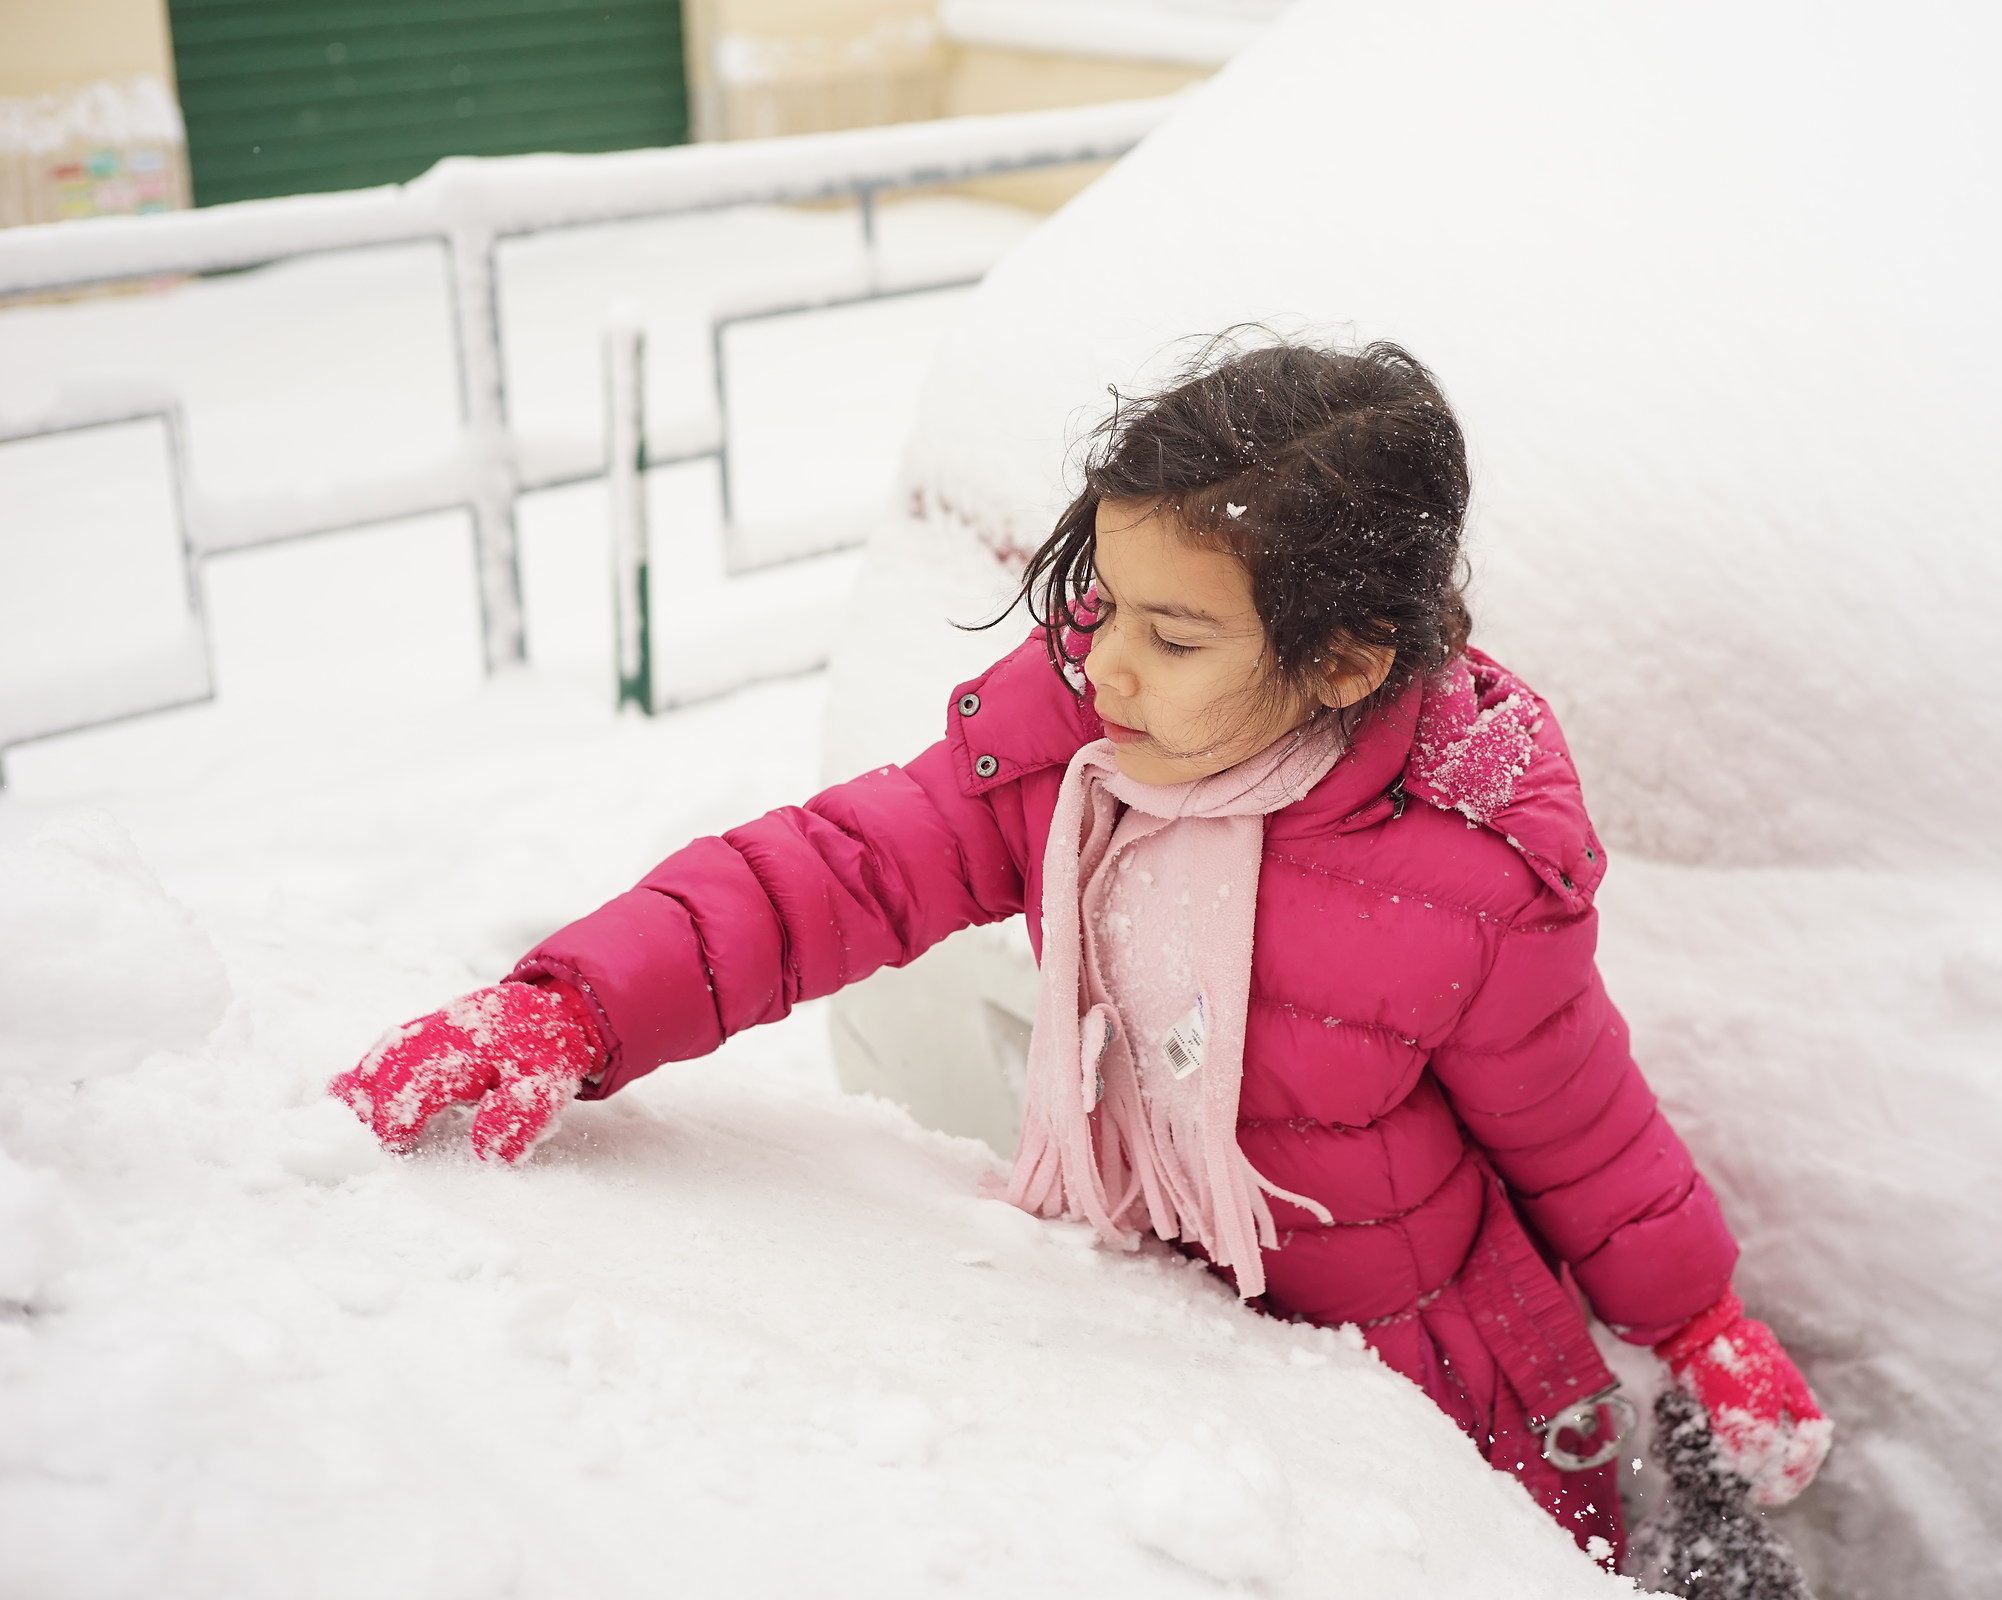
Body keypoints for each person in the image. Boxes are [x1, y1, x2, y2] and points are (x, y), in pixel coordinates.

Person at [332, 335, 1830, 1564]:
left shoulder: (1467, 871)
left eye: (1178, 639)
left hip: (1432, 1384)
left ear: (1347, 664)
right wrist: (578, 1010)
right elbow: (829, 875)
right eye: (1105, 604)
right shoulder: (1079, 754)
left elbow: (1577, 1128)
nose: (1106, 659)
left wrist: (1698, 1325)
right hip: (1156, 1329)